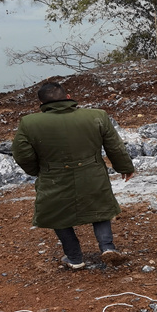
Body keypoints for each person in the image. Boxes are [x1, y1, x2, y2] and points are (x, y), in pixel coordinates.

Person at [12, 81, 134, 270]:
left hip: (54, 175)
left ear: (42, 105)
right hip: (92, 173)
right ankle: (107, 248)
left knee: (58, 214)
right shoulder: (97, 116)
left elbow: (22, 155)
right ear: (68, 98)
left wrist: (38, 171)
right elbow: (114, 146)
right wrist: (124, 167)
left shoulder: (29, 123)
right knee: (100, 208)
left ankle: (75, 258)